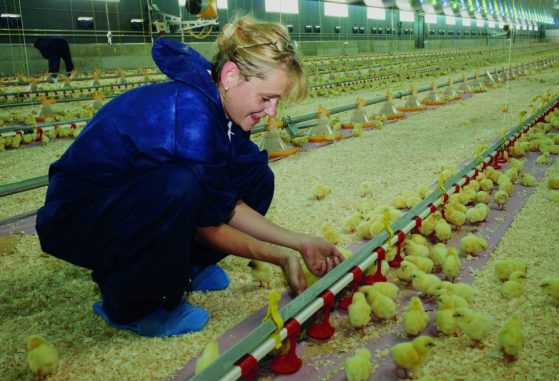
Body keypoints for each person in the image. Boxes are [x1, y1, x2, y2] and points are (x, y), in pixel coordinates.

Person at [35, 17, 343, 338]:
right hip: (78, 218)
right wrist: (281, 256)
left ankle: (185, 269)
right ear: (231, 75)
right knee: (179, 186)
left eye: (277, 101)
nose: (272, 112)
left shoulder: (221, 109)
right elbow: (208, 223)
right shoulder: (190, 114)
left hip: (129, 200)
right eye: (266, 98)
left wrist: (301, 242)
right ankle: (130, 305)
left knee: (255, 176)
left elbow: (225, 202)